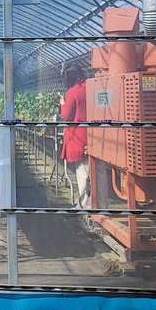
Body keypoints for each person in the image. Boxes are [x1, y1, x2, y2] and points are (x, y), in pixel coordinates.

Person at [59, 66, 89, 209]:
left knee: (83, 171)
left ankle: (85, 205)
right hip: (98, 136)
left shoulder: (73, 92)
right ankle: (101, 205)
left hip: (79, 137)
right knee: (98, 172)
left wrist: (63, 104)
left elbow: (67, 116)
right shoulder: (92, 87)